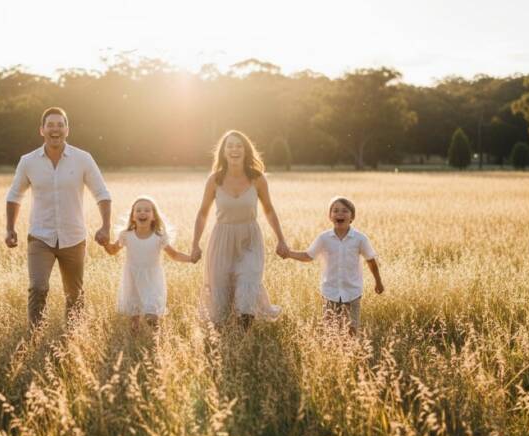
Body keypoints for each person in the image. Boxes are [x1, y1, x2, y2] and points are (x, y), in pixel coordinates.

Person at [5, 106, 112, 328]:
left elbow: (102, 194)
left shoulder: (83, 159)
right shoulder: (28, 161)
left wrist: (105, 226)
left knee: (74, 294)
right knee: (38, 287)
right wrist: (10, 228)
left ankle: (73, 337)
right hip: (40, 237)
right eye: (50, 125)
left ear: (67, 129)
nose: (55, 129)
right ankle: (35, 334)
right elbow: (15, 196)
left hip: (74, 238)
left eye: (60, 125)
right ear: (41, 130)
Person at [191, 130, 288, 329]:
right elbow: (202, 213)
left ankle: (245, 339)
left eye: (238, 146)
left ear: (245, 150)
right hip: (221, 239)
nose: (234, 149)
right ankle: (225, 342)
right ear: (223, 152)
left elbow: (269, 210)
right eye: (230, 146)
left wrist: (281, 239)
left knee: (248, 286)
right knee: (220, 296)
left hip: (249, 239)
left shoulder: (257, 178)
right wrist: (195, 244)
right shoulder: (214, 180)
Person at [286, 196, 384, 333]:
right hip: (330, 292)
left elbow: (371, 260)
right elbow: (308, 256)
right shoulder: (323, 238)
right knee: (331, 331)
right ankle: (333, 353)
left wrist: (378, 282)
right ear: (330, 216)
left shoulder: (360, 239)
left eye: (345, 211)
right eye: (335, 211)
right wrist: (288, 253)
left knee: (351, 330)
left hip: (352, 292)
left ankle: (350, 353)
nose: (340, 214)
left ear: (352, 217)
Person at [103, 196, 195, 331]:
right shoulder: (126, 235)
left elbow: (174, 255)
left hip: (152, 280)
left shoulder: (159, 237)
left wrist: (191, 258)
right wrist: (104, 243)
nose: (142, 213)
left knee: (151, 315)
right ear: (133, 216)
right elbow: (112, 251)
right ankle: (135, 343)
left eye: (147, 210)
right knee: (134, 317)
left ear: (153, 216)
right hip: (132, 278)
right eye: (138, 210)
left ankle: (155, 341)